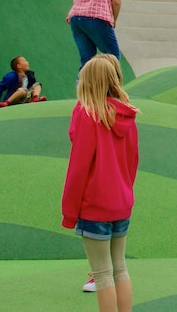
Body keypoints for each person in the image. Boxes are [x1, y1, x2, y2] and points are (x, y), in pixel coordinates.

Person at [62, 55, 139, 312]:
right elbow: (133, 161)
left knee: (103, 275)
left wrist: (69, 211)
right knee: (120, 269)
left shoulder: (87, 115)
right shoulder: (127, 114)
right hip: (121, 201)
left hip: (95, 204)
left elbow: (79, 167)